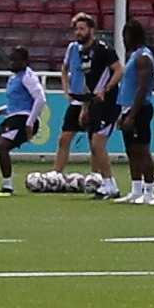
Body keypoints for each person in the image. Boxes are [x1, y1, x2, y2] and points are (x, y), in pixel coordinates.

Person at [54, 10, 115, 192]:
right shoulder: (73, 48)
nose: (78, 32)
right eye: (76, 29)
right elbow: (64, 69)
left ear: (91, 29)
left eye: (81, 28)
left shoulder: (99, 50)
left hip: (92, 99)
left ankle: (95, 175)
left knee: (94, 141)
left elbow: (113, 70)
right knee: (65, 137)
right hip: (77, 100)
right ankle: (57, 173)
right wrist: (66, 89)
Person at [113, 18, 154, 205]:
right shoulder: (134, 56)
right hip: (128, 108)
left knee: (142, 150)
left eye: (126, 35)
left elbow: (142, 88)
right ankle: (136, 189)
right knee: (131, 151)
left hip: (139, 109)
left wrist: (132, 114)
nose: (124, 39)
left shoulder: (143, 58)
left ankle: (149, 189)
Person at [0, 47, 39, 185]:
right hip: (13, 118)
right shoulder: (13, 78)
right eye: (10, 59)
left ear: (24, 61)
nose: (11, 63)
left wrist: (30, 123)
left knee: (1, 146)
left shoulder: (28, 77)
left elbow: (40, 99)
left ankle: (8, 185)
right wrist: (1, 110)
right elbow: (16, 105)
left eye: (15, 60)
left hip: (23, 119)